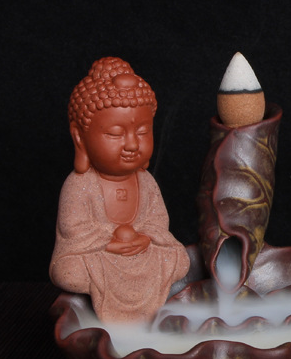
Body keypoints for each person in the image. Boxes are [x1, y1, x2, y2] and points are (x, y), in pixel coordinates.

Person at [50, 57, 190, 323]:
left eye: (142, 132)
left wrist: (145, 238)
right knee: (68, 271)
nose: (132, 145)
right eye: (115, 134)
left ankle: (143, 312)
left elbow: (158, 222)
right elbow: (74, 230)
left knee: (180, 259)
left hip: (141, 252)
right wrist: (110, 242)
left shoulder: (146, 182)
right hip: (102, 258)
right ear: (79, 138)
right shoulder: (80, 184)